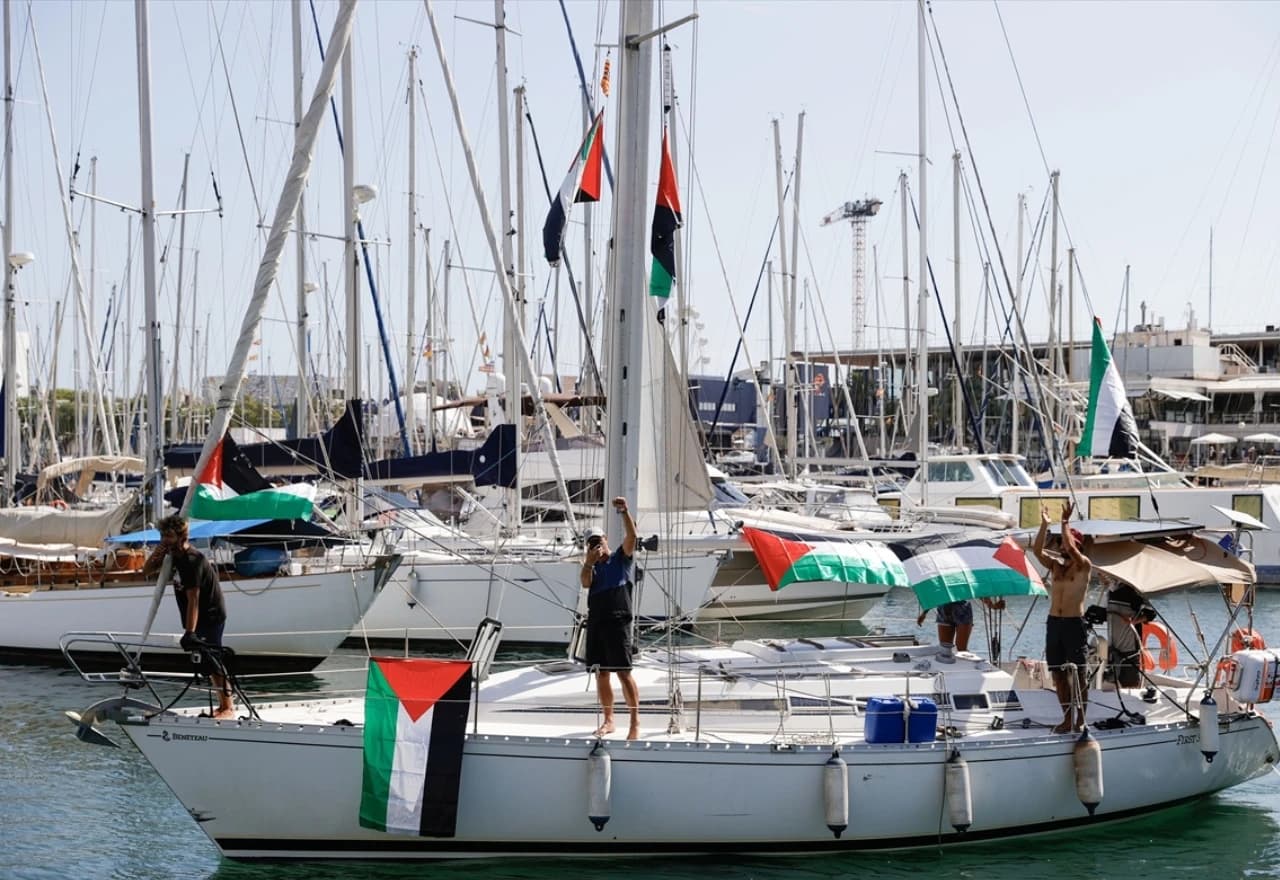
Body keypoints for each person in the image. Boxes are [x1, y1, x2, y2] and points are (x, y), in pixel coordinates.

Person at [143, 514, 234, 718]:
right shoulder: (171, 556)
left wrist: (189, 632)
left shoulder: (192, 561)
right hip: (194, 615)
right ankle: (222, 704)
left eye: (168, 536)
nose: (165, 540)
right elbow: (147, 570)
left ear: (182, 537)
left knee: (213, 659)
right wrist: (158, 552)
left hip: (210, 613)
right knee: (207, 662)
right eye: (162, 535)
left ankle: (227, 707)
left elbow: (194, 598)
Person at [580, 497, 640, 740]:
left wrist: (624, 511)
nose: (597, 546)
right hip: (597, 622)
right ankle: (609, 720)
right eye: (592, 543)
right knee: (601, 672)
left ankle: (635, 722)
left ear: (606, 540)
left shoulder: (620, 558)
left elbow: (632, 538)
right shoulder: (591, 568)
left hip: (618, 621)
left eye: (600, 541)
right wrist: (588, 562)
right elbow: (585, 584)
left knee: (623, 672)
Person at [1031, 502, 1092, 733]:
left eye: (1070, 545)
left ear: (1077, 546)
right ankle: (1067, 719)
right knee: (1057, 673)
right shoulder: (1056, 566)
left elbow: (1070, 547)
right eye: (1063, 545)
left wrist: (1065, 522)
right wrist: (1045, 525)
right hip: (1054, 623)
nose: (1064, 548)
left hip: (1074, 623)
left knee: (1078, 674)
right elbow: (1037, 551)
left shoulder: (1084, 566)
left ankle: (1081, 719)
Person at [1101, 579, 1155, 688]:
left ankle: (1132, 695)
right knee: (1112, 679)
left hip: (1129, 646)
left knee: (1130, 680)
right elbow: (1104, 613)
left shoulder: (1136, 592)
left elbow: (1151, 613)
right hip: (1113, 645)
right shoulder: (1111, 592)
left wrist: (1134, 621)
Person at [916, 597, 1004, 660]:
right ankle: (948, 676)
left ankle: (965, 675)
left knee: (961, 648)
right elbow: (934, 594)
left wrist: (992, 605)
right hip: (944, 610)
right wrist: (924, 613)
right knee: (945, 649)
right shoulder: (939, 574)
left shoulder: (963, 572)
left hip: (962, 610)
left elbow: (974, 588)